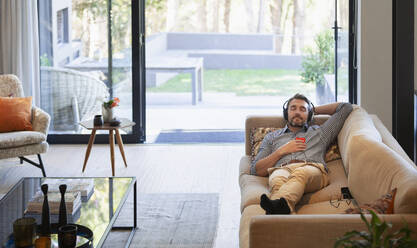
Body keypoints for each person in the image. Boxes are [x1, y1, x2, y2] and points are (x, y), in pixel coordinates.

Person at [251, 93, 353, 214]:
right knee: (277, 180)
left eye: (303, 109)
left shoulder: (320, 133)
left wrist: (313, 109)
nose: (297, 112)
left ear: (309, 114)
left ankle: (277, 210)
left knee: (301, 172)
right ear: (286, 113)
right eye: (293, 108)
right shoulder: (272, 137)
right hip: (281, 169)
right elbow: (255, 170)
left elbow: (345, 108)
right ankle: (282, 213)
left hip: (311, 169)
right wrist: (281, 151)